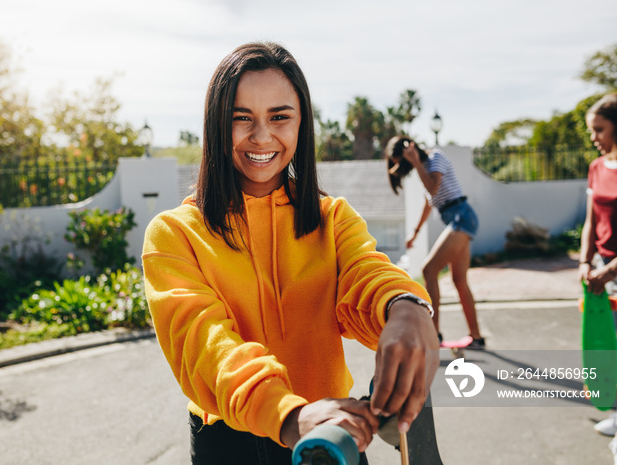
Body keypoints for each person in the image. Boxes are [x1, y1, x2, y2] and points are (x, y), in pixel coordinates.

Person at [142, 42, 439, 464]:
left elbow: (368, 275)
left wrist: (406, 306)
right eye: (240, 118)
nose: (261, 136)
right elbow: (204, 346)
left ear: (302, 125)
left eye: (279, 117)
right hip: (231, 443)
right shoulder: (173, 234)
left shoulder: (333, 219)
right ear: (214, 125)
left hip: (332, 435)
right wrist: (289, 415)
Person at [385, 136, 484, 349]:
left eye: (403, 161)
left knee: (429, 270)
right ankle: (476, 338)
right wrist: (415, 232)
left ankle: (432, 336)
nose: (405, 166)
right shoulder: (425, 167)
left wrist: (417, 163)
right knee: (459, 279)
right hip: (458, 217)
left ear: (410, 148)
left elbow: (432, 189)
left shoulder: (434, 158)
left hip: (461, 216)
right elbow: (429, 203)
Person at [578, 92, 617, 438]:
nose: (594, 138)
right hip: (603, 268)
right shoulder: (596, 168)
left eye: (600, 130)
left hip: (612, 271)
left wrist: (609, 272)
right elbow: (590, 220)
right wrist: (585, 260)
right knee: (609, 345)